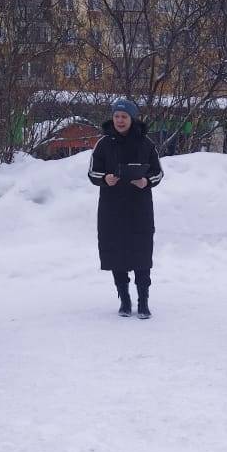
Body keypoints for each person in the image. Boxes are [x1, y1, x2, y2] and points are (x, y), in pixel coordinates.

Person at [87, 98, 164, 319]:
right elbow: (93, 173)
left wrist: (146, 182)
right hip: (112, 208)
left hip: (139, 208)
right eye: (117, 116)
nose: (120, 120)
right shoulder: (103, 144)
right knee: (116, 253)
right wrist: (106, 178)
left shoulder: (147, 144)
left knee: (141, 253)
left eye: (124, 117)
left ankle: (143, 300)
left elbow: (158, 173)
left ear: (132, 119)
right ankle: (124, 298)